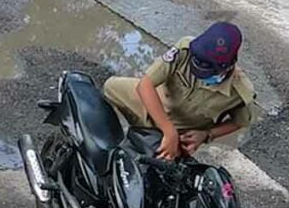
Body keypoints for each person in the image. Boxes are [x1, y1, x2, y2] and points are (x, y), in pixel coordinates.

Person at [102, 22, 257, 160]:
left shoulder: (240, 92)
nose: (199, 70)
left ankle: (151, 140)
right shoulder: (185, 49)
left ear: (229, 65)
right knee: (111, 86)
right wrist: (168, 130)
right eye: (196, 62)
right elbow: (145, 85)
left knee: (160, 168)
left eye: (208, 70)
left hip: (180, 130)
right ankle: (138, 133)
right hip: (154, 104)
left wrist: (206, 135)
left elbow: (239, 122)